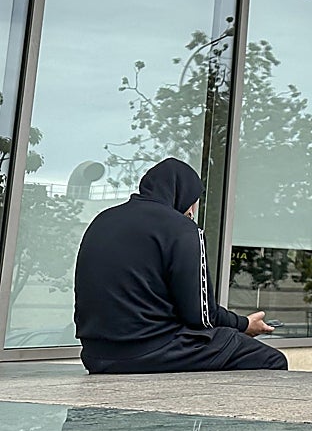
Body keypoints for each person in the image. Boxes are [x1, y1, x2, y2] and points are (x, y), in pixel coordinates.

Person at [74, 158, 288, 374]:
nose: (192, 211)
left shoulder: (101, 221)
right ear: (184, 194)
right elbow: (202, 315)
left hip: (96, 355)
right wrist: (243, 324)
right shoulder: (181, 229)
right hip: (152, 350)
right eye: (194, 201)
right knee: (272, 360)